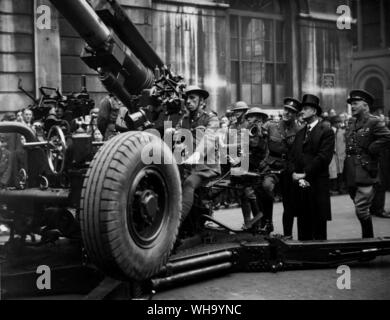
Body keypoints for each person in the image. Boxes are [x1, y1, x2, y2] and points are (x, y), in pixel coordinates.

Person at [344, 90, 390, 237]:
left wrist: (372, 148)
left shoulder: (374, 121)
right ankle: (367, 240)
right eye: (351, 103)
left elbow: (387, 137)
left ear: (366, 105)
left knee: (361, 209)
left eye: (355, 103)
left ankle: (368, 240)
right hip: (351, 171)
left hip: (366, 170)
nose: (352, 106)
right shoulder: (352, 122)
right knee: (359, 207)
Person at [290, 94, 335, 240]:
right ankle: (304, 257)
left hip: (317, 183)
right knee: (303, 222)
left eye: (305, 108)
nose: (301, 111)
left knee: (318, 223)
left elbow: (324, 157)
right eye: (301, 109)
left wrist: (305, 173)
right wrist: (294, 173)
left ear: (314, 111)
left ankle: (320, 259)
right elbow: (293, 156)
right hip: (301, 183)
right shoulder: (300, 133)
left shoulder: (326, 131)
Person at [179, 85, 220, 223]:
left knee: (189, 183)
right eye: (186, 99)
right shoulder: (184, 120)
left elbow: (209, 139)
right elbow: (177, 139)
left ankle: (176, 225)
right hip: (187, 166)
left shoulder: (211, 119)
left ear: (201, 101)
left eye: (192, 98)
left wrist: (196, 155)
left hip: (206, 167)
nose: (188, 101)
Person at [262, 97, 302, 237]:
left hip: (288, 168)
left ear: (296, 114)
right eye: (286, 109)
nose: (287, 113)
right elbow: (259, 143)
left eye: (291, 111)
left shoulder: (299, 130)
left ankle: (288, 234)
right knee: (266, 187)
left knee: (288, 203)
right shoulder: (270, 126)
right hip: (272, 165)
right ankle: (268, 222)